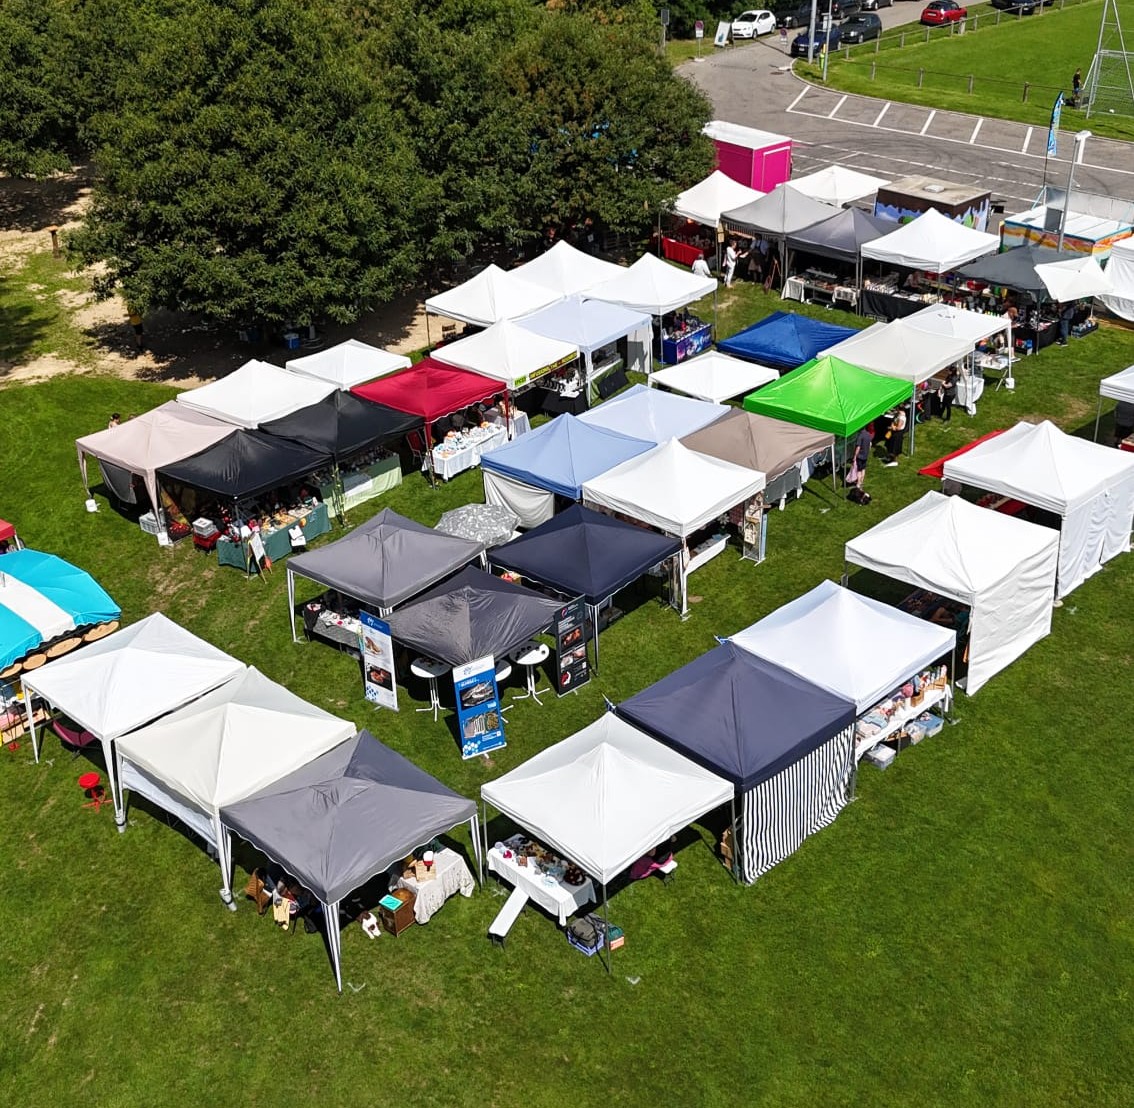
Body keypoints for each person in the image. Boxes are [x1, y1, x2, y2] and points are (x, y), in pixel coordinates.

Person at [851, 422, 873, 490]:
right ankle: (861, 481)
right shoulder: (868, 434)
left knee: (859, 470)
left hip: (860, 456)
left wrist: (855, 456)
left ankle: (858, 484)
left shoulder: (860, 436)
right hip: (865, 455)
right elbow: (870, 444)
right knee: (863, 469)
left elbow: (858, 447)